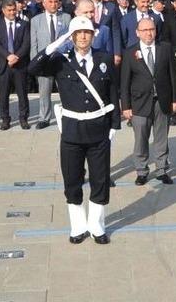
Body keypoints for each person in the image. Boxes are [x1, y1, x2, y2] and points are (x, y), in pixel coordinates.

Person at [28, 16, 121, 245]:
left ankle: (97, 226)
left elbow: (112, 92)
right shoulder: (61, 60)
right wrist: (55, 45)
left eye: (87, 32)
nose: (82, 37)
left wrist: (114, 126)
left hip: (99, 130)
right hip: (72, 132)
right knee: (73, 180)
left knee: (100, 180)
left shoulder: (104, 58)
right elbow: (33, 67)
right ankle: (78, 227)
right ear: (71, 36)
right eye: (78, 33)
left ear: (92, 35)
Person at [120, 18, 176, 185]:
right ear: (137, 33)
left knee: (161, 137)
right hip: (139, 102)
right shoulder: (130, 52)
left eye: (151, 29)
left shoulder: (165, 48)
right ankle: (142, 171)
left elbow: (173, 76)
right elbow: (124, 82)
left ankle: (161, 169)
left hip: (162, 100)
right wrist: (125, 106)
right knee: (141, 139)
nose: (149, 33)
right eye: (145, 30)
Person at [30, 0, 71, 130]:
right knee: (44, 92)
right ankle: (44, 118)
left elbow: (69, 39)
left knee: (65, 91)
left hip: (61, 61)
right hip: (44, 62)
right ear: (44, 3)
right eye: (50, 2)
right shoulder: (36, 20)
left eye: (56, 2)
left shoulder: (66, 17)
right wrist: (35, 62)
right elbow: (34, 44)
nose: (54, 4)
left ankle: (68, 115)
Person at [0, 0, 31, 129]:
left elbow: (26, 44)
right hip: (3, 64)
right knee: (3, 95)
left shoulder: (24, 24)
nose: (12, 12)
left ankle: (23, 118)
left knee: (22, 93)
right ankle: (5, 119)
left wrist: (17, 56)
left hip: (19, 65)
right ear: (3, 11)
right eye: (9, 10)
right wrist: (8, 56)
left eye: (14, 9)